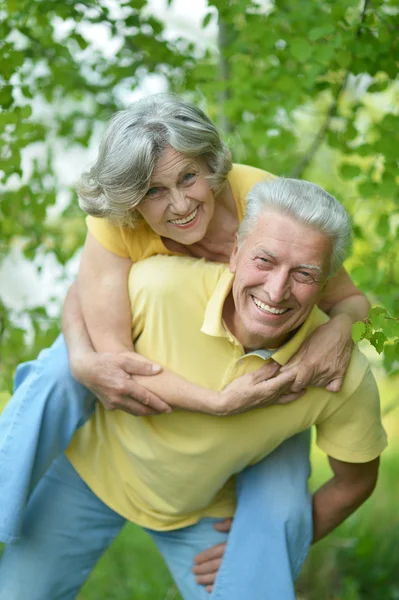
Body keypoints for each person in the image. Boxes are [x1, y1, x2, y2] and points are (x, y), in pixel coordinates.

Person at [0, 95, 368, 592]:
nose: (179, 204)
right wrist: (88, 361)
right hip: (153, 381)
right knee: (55, 374)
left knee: (279, 501)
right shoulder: (125, 230)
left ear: (212, 166)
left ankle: (257, 560)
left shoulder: (268, 209)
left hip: (259, 379)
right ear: (131, 199)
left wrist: (337, 330)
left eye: (189, 178)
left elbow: (348, 298)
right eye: (154, 191)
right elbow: (103, 332)